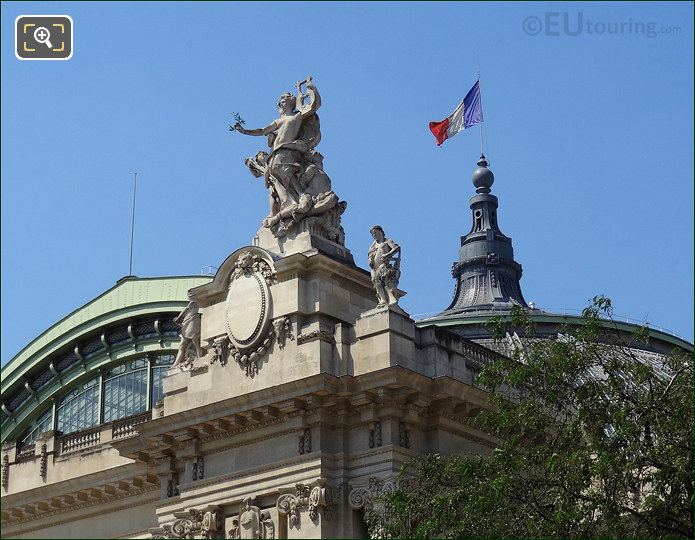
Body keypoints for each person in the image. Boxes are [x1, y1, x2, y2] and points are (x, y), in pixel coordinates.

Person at [367, 225, 401, 307]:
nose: (374, 235)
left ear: (381, 232)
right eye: (373, 234)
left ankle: (390, 299)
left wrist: (387, 255)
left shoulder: (387, 241)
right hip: (374, 267)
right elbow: (369, 254)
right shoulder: (373, 245)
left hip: (383, 265)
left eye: (376, 233)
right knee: (376, 281)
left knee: (384, 282)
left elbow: (396, 248)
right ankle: (382, 300)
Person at [172, 299, 204, 368]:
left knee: (196, 343)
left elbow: (185, 310)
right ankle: (176, 363)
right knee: (181, 346)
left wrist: (179, 318)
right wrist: (178, 320)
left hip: (193, 322)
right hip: (188, 325)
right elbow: (184, 326)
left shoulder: (194, 304)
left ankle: (200, 358)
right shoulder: (190, 309)